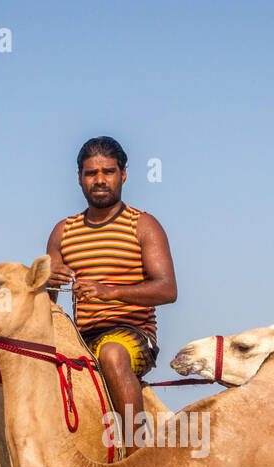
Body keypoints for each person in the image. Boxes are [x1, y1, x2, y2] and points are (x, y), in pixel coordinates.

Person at [47, 136, 176, 450]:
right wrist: (47, 282)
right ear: (79, 178)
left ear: (124, 174)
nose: (100, 180)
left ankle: (137, 458)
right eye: (92, 173)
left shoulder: (143, 225)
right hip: (79, 339)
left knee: (112, 354)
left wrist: (109, 292)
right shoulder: (63, 231)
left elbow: (167, 289)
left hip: (132, 335)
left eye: (108, 171)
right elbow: (47, 304)